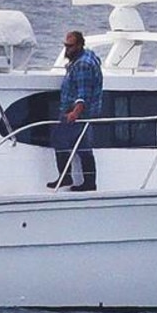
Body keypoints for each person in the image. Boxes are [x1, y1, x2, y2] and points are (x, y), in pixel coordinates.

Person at [48, 31, 101, 192]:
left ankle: (66, 177)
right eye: (65, 45)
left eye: (70, 46)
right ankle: (89, 182)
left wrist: (74, 113)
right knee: (84, 148)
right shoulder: (87, 57)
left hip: (76, 113)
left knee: (59, 139)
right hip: (84, 113)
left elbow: (83, 94)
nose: (67, 49)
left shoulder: (82, 65)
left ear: (79, 45)